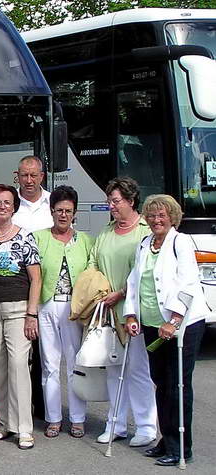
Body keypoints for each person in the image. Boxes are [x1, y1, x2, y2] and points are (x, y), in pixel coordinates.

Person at [123, 195, 208, 466]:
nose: (156, 220)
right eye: (152, 215)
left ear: (172, 217)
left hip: (181, 326)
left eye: (162, 215)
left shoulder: (181, 242)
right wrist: (131, 313)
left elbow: (188, 283)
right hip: (151, 324)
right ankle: (166, 439)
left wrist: (174, 320)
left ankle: (181, 446)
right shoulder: (145, 244)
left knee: (177, 386)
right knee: (160, 383)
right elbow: (134, 281)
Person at [87, 176, 157, 447]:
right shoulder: (106, 231)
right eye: (109, 201)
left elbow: (145, 274)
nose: (111, 206)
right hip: (107, 310)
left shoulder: (143, 231)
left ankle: (146, 426)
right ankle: (115, 424)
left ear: (131, 201)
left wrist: (122, 294)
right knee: (114, 369)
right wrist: (98, 288)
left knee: (138, 370)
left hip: (134, 311)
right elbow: (93, 261)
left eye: (116, 201)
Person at [0, 184, 41, 450]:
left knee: (18, 366)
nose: (2, 207)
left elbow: (36, 278)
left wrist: (31, 314)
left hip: (17, 309)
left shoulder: (25, 237)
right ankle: (2, 423)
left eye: (7, 203)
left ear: (14, 207)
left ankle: (24, 428)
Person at [33, 186, 94, 439]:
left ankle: (78, 418)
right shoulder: (39, 237)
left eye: (68, 211)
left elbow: (92, 274)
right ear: (52, 211)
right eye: (59, 210)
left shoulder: (85, 241)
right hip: (46, 305)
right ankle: (53, 418)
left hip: (74, 308)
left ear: (75, 213)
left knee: (74, 365)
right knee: (49, 365)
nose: (63, 215)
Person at [11, 155, 52, 419]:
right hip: (17, 287)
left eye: (33, 175)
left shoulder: (53, 202)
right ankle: (23, 407)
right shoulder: (10, 203)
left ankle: (46, 407)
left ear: (42, 176)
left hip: (49, 290)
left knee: (46, 355)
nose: (28, 181)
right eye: (23, 175)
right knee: (21, 353)